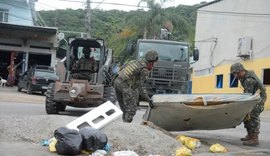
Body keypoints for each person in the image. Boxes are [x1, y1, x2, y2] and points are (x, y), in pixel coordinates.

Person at [113, 50, 159, 123]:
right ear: (152, 62)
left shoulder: (136, 62)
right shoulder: (144, 69)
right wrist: (148, 100)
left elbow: (122, 68)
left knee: (125, 108)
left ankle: (122, 125)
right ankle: (126, 125)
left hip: (117, 81)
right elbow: (141, 87)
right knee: (132, 109)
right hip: (124, 85)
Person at [230, 62, 267, 146]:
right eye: (234, 74)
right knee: (246, 115)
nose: (235, 76)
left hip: (258, 98)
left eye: (236, 73)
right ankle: (250, 135)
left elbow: (248, 95)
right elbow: (247, 94)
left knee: (253, 116)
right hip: (252, 97)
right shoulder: (243, 77)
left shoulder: (249, 79)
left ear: (241, 71)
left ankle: (254, 138)